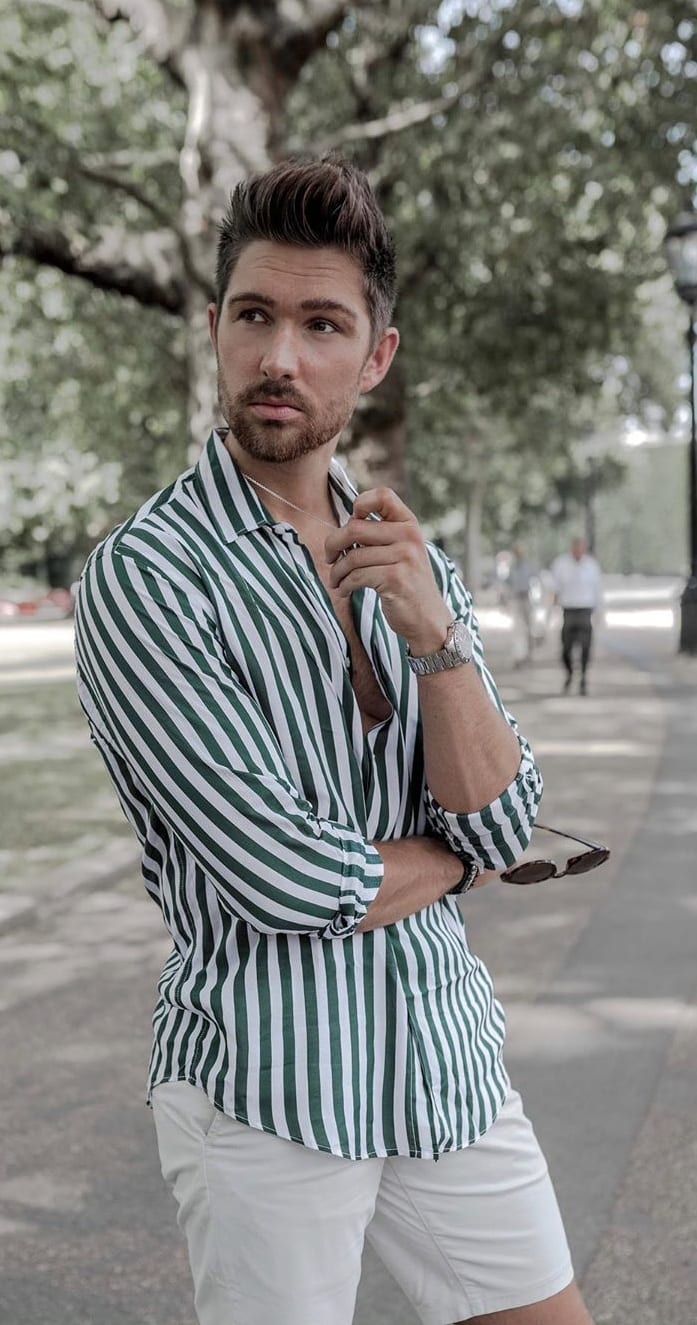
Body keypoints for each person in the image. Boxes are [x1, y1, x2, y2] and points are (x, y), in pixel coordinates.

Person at [74, 159, 592, 1325]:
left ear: (374, 357)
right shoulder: (147, 578)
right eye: (255, 317)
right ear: (214, 330)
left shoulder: (405, 554)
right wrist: (456, 860)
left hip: (440, 1053)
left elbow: (509, 814)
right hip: (270, 1084)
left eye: (322, 324)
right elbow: (287, 877)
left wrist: (436, 638)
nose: (280, 358)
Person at [551, 537, 603, 696]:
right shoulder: (561, 564)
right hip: (569, 610)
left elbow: (598, 590)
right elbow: (554, 588)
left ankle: (583, 678)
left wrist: (600, 612)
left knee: (586, 647)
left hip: (585, 610)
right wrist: (551, 612)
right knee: (566, 648)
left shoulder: (592, 566)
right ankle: (569, 673)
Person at [504, 543, 536, 667]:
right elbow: (508, 582)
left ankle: (529, 653)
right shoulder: (512, 567)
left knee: (528, 627)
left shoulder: (528, 565)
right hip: (516, 598)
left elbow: (535, 580)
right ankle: (518, 655)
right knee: (518, 629)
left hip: (526, 597)